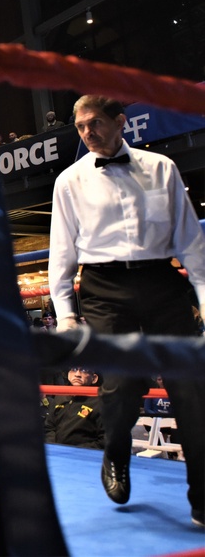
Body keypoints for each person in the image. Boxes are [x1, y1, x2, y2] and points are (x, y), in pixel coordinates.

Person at [48, 94, 205, 528]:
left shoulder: (162, 168)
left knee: (192, 389)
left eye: (94, 123)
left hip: (161, 282)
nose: (87, 133)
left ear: (120, 122)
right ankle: (116, 452)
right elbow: (61, 254)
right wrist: (65, 317)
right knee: (120, 386)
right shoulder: (70, 180)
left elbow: (192, 243)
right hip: (103, 289)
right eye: (80, 126)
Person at [44, 366, 104, 449]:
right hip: (56, 454)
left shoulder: (100, 403)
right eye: (74, 369)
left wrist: (75, 452)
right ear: (68, 375)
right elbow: (49, 427)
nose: (77, 374)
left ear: (94, 378)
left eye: (84, 370)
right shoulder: (60, 396)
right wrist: (55, 447)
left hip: (84, 456)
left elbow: (104, 440)